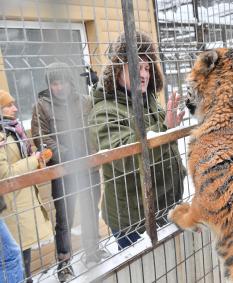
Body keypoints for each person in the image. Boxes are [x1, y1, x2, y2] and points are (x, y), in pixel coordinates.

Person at [88, 31, 186, 250]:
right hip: (133, 222)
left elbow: (164, 144)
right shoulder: (103, 111)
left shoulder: (148, 101)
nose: (144, 74)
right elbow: (125, 160)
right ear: (117, 70)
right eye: (136, 67)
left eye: (147, 68)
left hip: (161, 209)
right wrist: (164, 130)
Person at [31, 62, 107, 282]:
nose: (59, 87)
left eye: (62, 82)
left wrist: (92, 153)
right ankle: (64, 264)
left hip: (88, 168)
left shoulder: (84, 101)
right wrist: (68, 154)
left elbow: (97, 124)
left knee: (91, 209)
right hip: (63, 172)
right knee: (64, 219)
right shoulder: (41, 106)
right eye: (54, 84)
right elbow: (41, 138)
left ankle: (92, 249)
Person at [0, 90, 52, 283]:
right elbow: (3, 174)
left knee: (23, 253)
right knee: (14, 258)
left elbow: (24, 157)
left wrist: (37, 156)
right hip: (11, 204)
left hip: (24, 199)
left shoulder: (14, 129)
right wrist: (33, 160)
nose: (14, 108)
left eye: (14, 103)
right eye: (8, 105)